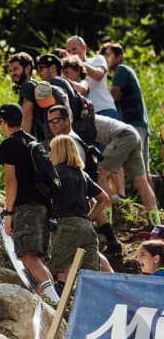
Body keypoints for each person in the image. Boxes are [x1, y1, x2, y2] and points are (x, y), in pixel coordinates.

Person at [0, 103, 62, 305]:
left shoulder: (10, 144)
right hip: (43, 207)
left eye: (0, 122)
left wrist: (8, 214)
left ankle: (55, 299)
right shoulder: (31, 141)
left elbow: (12, 180)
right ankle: (48, 306)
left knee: (26, 255)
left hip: (25, 208)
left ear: (4, 122)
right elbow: (19, 164)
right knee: (39, 259)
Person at [47, 105, 121, 257]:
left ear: (68, 120)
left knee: (63, 262)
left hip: (74, 212)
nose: (52, 124)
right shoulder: (71, 140)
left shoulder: (69, 143)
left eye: (56, 120)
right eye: (49, 121)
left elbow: (73, 174)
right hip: (84, 203)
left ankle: (111, 240)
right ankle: (111, 241)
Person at [48, 135, 109, 291]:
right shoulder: (82, 174)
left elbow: (45, 193)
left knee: (54, 269)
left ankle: (55, 305)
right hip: (88, 229)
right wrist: (88, 219)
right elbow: (104, 199)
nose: (49, 153)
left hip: (67, 223)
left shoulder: (57, 171)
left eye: (51, 149)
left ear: (58, 151)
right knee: (91, 276)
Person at [101, 42, 153, 191]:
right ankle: (155, 209)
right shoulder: (123, 72)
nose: (105, 58)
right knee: (142, 172)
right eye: (103, 55)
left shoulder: (121, 70)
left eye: (109, 54)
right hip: (138, 124)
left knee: (137, 171)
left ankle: (120, 197)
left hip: (133, 125)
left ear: (119, 57)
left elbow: (115, 95)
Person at [95, 114, 161, 229]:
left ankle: (107, 223)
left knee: (101, 174)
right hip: (132, 133)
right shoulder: (88, 115)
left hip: (123, 136)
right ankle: (156, 224)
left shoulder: (79, 122)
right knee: (141, 180)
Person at [65, 35, 117, 118]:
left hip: (105, 109)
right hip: (86, 115)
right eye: (68, 51)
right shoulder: (68, 70)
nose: (71, 53)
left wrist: (76, 61)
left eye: (74, 49)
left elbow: (98, 75)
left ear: (84, 47)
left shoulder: (97, 59)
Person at [7, 52, 42, 141]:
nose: (12, 74)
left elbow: (26, 116)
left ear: (28, 68)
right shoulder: (35, 84)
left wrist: (22, 142)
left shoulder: (27, 86)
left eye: (15, 69)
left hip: (37, 141)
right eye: (10, 71)